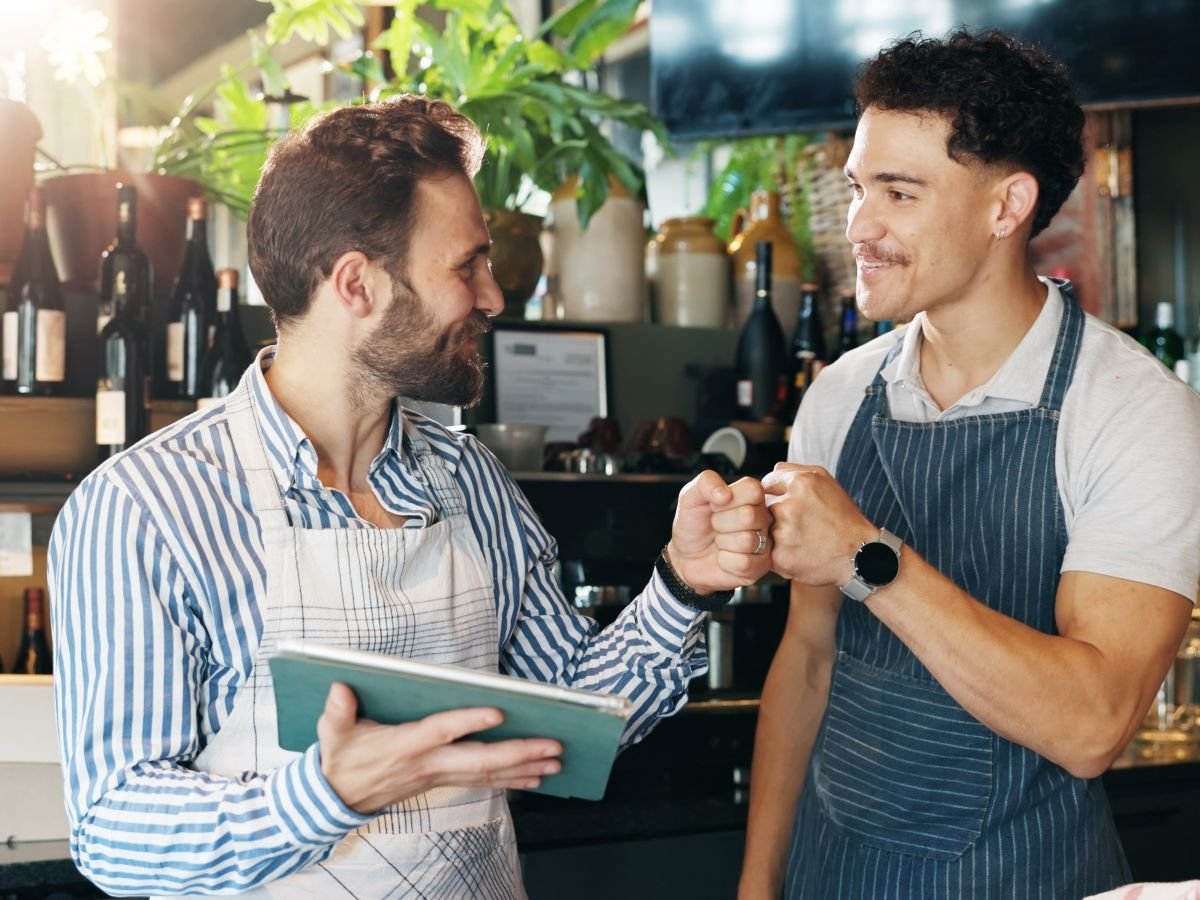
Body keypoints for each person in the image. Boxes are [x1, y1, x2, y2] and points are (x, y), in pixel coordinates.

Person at [48, 95, 773, 899]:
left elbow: (570, 723)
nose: (493, 297)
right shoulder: (146, 508)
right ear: (357, 283)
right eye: (467, 266)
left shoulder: (469, 481)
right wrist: (323, 797)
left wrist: (682, 583)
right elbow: (115, 830)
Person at [740, 29, 1200, 900]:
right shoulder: (840, 396)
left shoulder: (1134, 411)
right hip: (834, 875)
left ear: (1006, 206)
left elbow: (1093, 725)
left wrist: (866, 557)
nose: (859, 226)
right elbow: (809, 661)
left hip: (1029, 878)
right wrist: (758, 885)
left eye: (899, 192)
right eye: (859, 188)